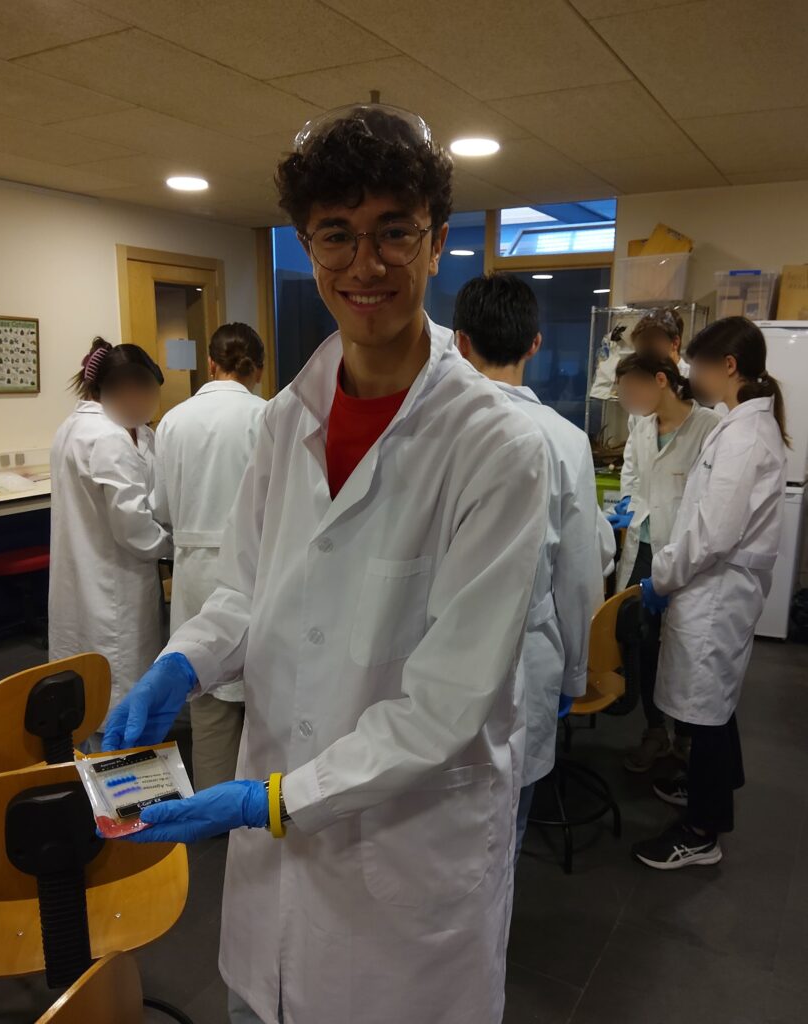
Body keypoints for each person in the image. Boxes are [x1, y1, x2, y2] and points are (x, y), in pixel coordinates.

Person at [102, 104, 550, 1024]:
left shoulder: (495, 448)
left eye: (394, 231)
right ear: (308, 247)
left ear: (436, 242)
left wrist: (270, 801)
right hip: (275, 879)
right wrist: (182, 662)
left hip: (405, 867)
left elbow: (447, 705)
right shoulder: (284, 420)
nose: (365, 263)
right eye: (336, 234)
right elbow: (245, 591)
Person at [453, 272, 605, 865]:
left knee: (435, 827)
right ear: (535, 344)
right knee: (505, 826)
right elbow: (579, 574)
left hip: (435, 655)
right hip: (527, 654)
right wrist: (575, 673)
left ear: (460, 342)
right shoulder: (565, 441)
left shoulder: (432, 432)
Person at [633, 317, 788, 870]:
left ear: (728, 366)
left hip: (716, 591)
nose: (689, 374)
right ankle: (712, 783)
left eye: (697, 365)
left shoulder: (744, 436)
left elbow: (713, 533)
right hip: (716, 587)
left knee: (707, 709)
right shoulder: (739, 424)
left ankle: (702, 830)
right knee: (712, 702)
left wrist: (662, 577)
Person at [153, 323, 267, 790]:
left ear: (211, 364)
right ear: (258, 369)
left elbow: (161, 508)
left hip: (195, 572)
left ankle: (212, 805)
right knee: (263, 700)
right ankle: (260, 803)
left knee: (206, 699)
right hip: (257, 566)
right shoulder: (268, 415)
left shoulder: (173, 421)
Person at [49, 338, 171, 714]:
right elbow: (133, 528)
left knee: (87, 682)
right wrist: (174, 545)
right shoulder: (108, 437)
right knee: (119, 681)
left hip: (85, 574)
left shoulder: (74, 427)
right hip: (115, 580)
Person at [614, 353, 720, 773]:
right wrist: (627, 502)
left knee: (684, 645)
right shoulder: (641, 425)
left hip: (686, 552)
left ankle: (687, 737)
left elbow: (711, 501)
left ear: (661, 380)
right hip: (643, 546)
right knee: (642, 639)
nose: (626, 399)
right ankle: (654, 729)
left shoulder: (708, 427)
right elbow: (631, 471)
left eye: (631, 389)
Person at [619, 307, 688, 503]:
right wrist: (628, 499)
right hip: (646, 504)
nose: (644, 359)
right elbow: (633, 457)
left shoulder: (697, 388)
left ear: (675, 343)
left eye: (651, 350)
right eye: (640, 351)